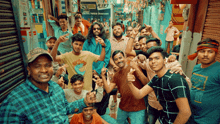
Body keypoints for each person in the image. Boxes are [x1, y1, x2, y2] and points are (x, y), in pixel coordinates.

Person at [0, 47, 96, 123]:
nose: (44, 70)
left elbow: (64, 109)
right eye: (37, 66)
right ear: (29, 70)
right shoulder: (14, 102)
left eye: (47, 65)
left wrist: (84, 101)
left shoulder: (56, 88)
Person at [127, 46, 192, 124]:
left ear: (165, 61)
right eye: (150, 59)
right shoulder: (156, 78)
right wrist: (129, 82)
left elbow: (185, 112)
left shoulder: (174, 78)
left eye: (157, 58)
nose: (153, 61)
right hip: (165, 120)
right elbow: (139, 94)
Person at [102, 50, 148, 124]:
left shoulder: (133, 68)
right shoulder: (116, 75)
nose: (119, 60)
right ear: (114, 62)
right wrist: (103, 76)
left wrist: (136, 68)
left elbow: (146, 83)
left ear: (125, 57)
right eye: (116, 59)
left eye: (120, 58)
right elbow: (108, 90)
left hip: (138, 108)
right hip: (123, 108)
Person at [188, 38, 220, 124]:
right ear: (197, 53)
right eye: (202, 51)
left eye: (210, 52)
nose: (205, 55)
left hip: (208, 120)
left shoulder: (218, 70)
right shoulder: (196, 68)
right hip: (191, 116)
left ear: (215, 53)